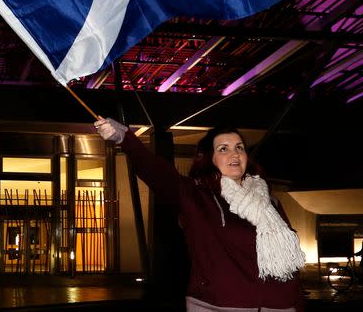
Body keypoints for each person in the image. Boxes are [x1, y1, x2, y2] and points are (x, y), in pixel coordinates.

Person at [95, 117, 305, 311]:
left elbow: (291, 269)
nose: (234, 154)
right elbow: (158, 173)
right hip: (219, 305)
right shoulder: (197, 197)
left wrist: (297, 305)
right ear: (210, 158)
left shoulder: (269, 201)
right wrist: (125, 138)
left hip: (280, 306)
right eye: (224, 149)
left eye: (239, 147)